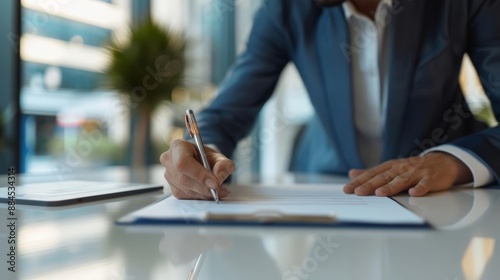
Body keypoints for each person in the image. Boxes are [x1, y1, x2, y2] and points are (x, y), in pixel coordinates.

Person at [159, 0, 500, 200]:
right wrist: (203, 154)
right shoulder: (286, 8)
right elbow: (224, 115)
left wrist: (454, 162)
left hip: (445, 197)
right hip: (330, 191)